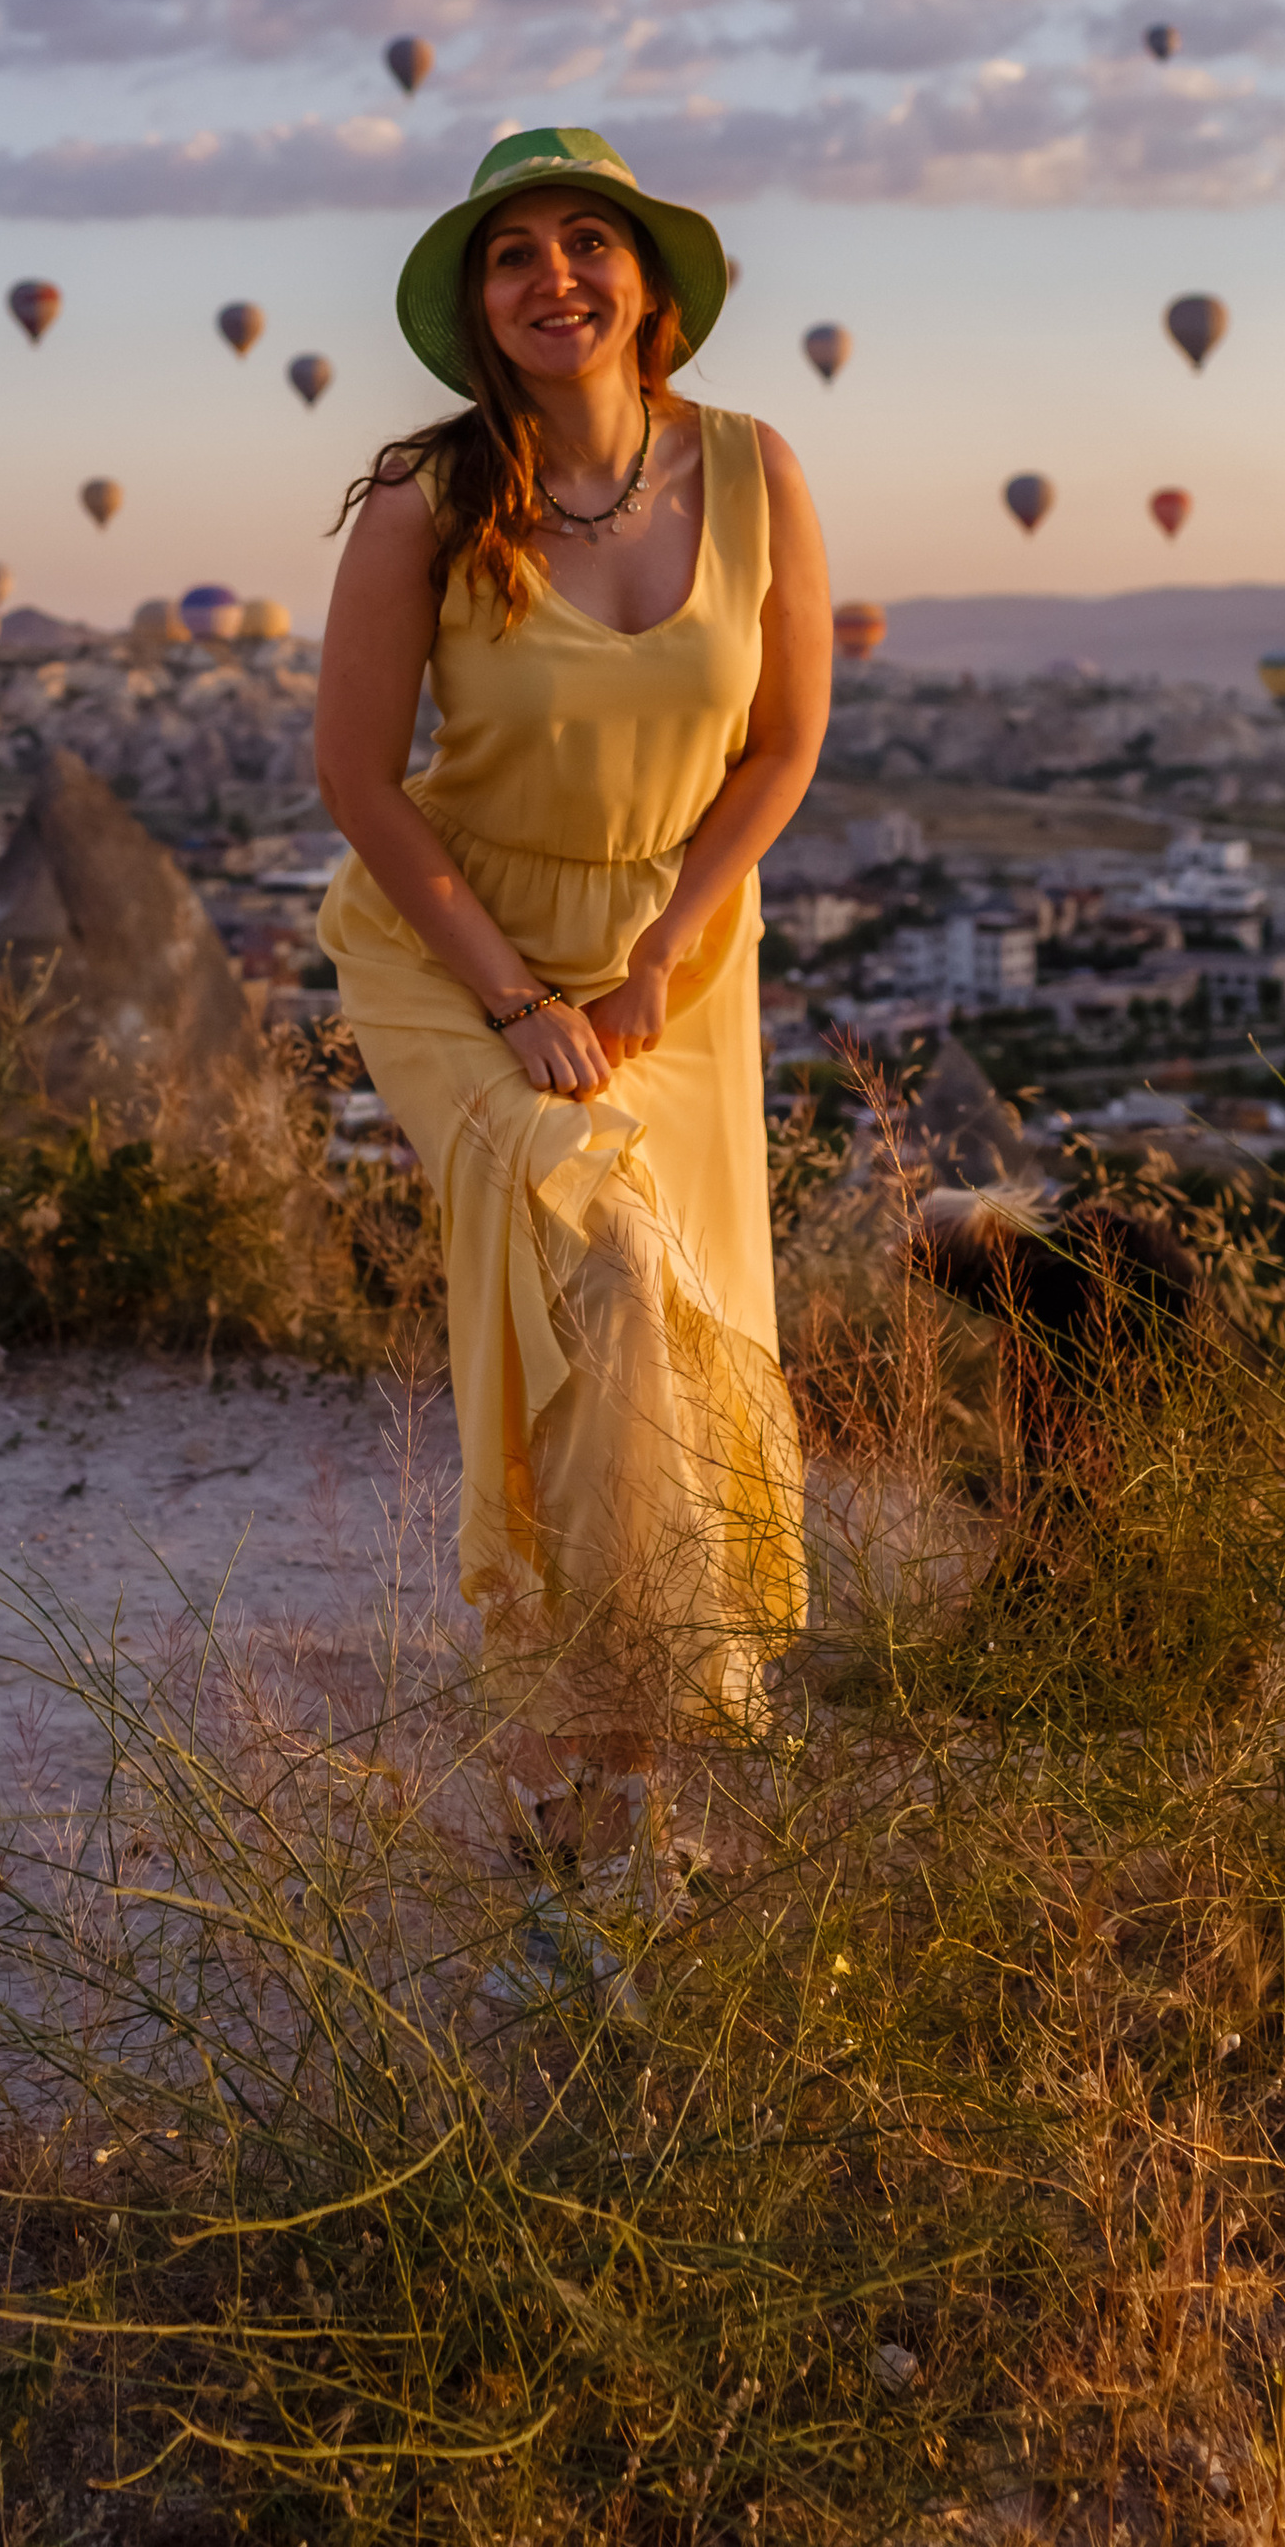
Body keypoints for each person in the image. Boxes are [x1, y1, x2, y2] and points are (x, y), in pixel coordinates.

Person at [313, 127, 831, 1874]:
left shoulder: (756, 472)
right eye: (511, 250)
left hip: (675, 950)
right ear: (476, 306)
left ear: (649, 282)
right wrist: (517, 997)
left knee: (667, 1334)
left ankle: (636, 1795)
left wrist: (673, 939)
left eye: (586, 239)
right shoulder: (428, 499)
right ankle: (573, 1764)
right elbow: (361, 782)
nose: (553, 275)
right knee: (596, 1269)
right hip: (454, 942)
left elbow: (783, 746)